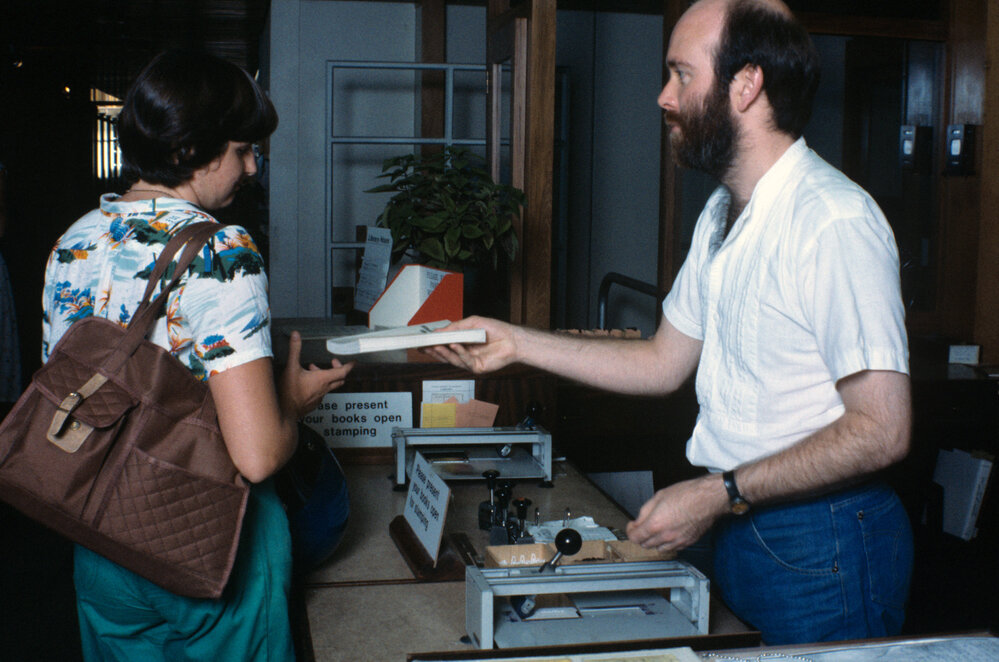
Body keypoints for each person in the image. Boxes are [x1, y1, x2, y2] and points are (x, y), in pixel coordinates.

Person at [426, 0, 912, 645]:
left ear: (746, 85)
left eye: (682, 74)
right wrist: (517, 344)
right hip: (745, 521)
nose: (663, 96)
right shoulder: (721, 213)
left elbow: (882, 430)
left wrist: (719, 492)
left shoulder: (833, 221)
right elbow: (663, 362)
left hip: (822, 539)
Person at [41, 49, 353, 661]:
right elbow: (257, 455)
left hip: (98, 527)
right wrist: (295, 399)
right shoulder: (220, 249)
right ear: (189, 152)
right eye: (242, 150)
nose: (254, 167)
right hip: (208, 535)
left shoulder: (74, 239)